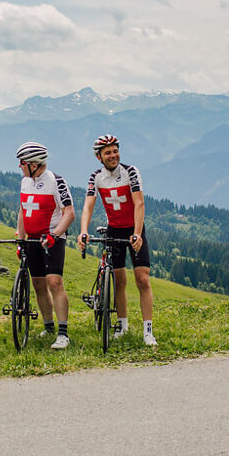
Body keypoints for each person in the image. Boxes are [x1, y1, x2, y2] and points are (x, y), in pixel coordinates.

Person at [78, 134, 157, 346]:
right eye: (108, 153)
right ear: (99, 157)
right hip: (114, 231)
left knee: (142, 279)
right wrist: (83, 230)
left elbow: (139, 203)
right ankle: (122, 326)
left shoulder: (130, 171)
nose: (113, 155)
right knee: (119, 281)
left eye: (115, 151)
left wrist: (138, 233)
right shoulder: (96, 177)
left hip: (134, 228)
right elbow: (88, 206)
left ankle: (148, 331)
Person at [15, 142, 75, 349]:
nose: (20, 166)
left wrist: (55, 235)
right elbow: (23, 211)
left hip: (52, 238)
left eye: (22, 162)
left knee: (54, 282)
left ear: (33, 163)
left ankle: (63, 333)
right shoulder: (25, 181)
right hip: (31, 239)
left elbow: (69, 213)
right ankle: (48, 326)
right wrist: (20, 240)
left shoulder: (56, 181)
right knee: (38, 284)